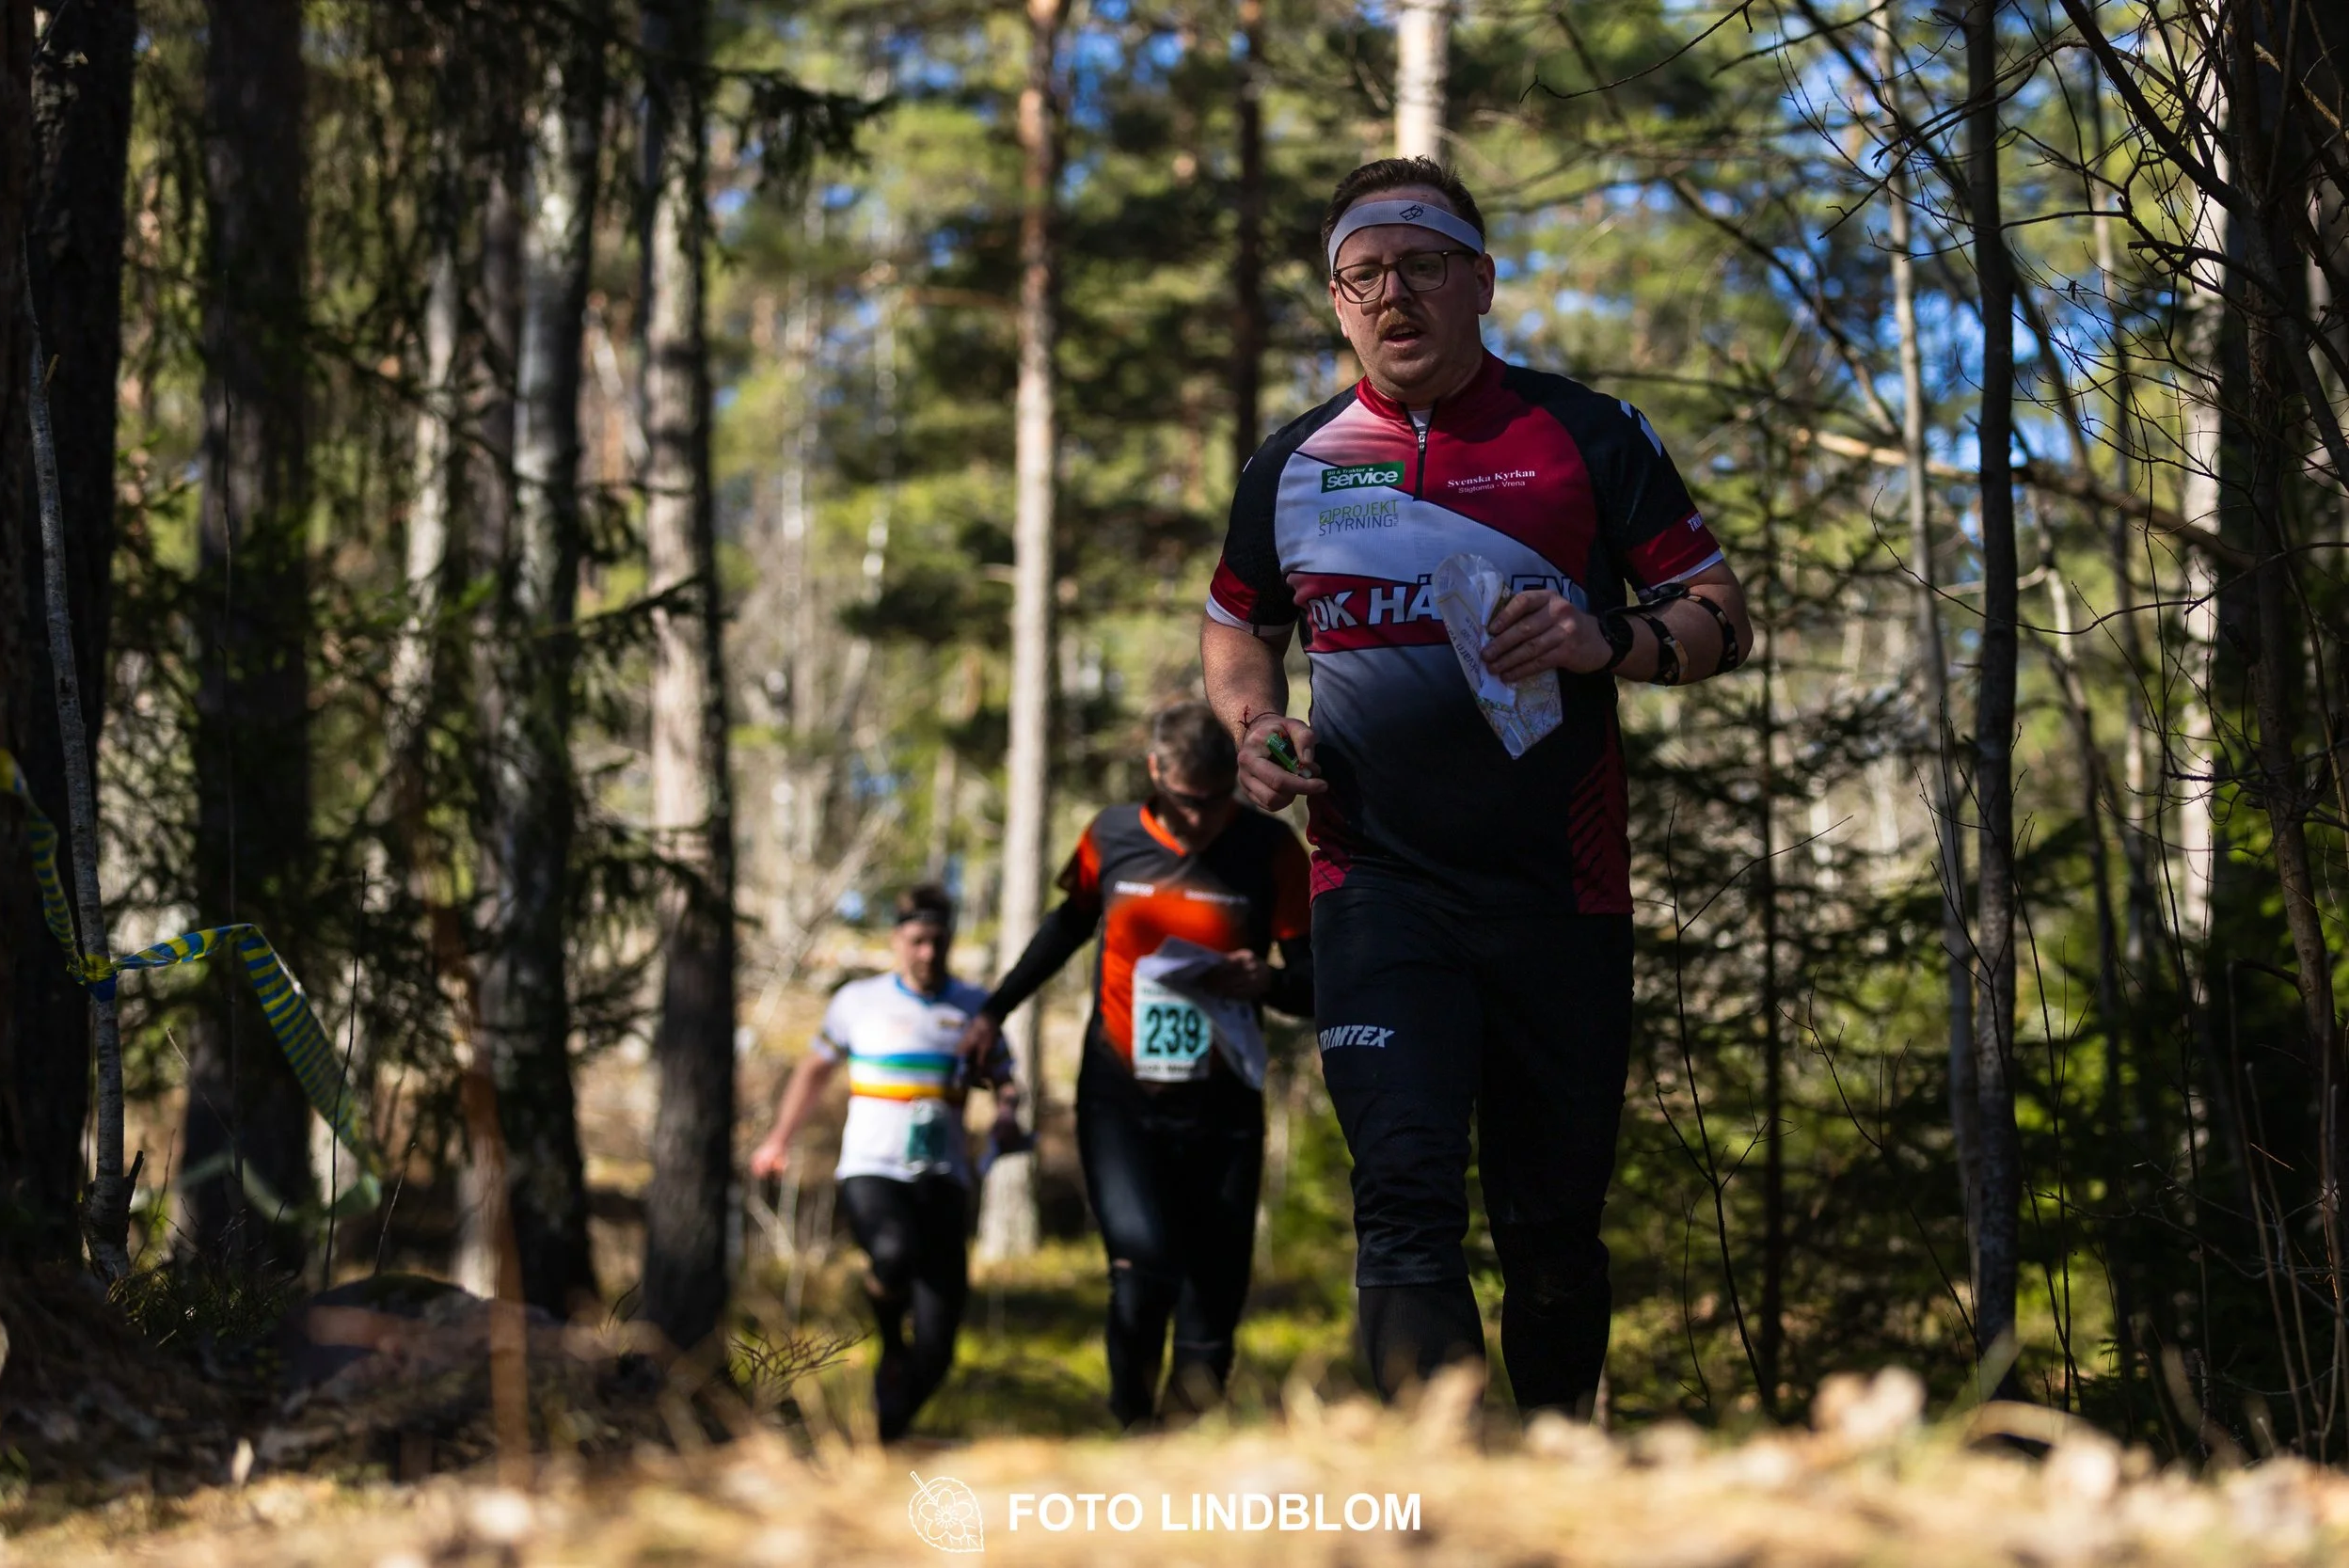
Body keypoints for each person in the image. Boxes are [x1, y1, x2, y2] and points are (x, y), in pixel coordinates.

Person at [1198, 157, 1754, 1418]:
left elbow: (1723, 614)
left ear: (1482, 283)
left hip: (1558, 888)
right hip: (1373, 880)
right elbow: (1238, 620)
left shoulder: (1586, 435)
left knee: (1551, 1235)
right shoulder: (1291, 462)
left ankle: (1555, 1478)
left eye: (1422, 266)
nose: (1393, 294)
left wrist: (1603, 640)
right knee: (1401, 1193)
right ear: (1338, 303)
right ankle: (1434, 1503)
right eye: (1364, 274)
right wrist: (1252, 721)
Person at [957, 702, 1313, 1428]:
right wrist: (994, 1008)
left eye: (1218, 801)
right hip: (1122, 1097)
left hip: (1225, 1105)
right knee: (1142, 1268)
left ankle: (1183, 1452)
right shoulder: (1111, 835)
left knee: (1213, 1300)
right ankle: (1131, 1428)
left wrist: (1266, 981)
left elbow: (1316, 983)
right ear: (1155, 773)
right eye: (1186, 801)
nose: (1200, 820)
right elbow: (1067, 926)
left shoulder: (1270, 850)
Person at [748, 884, 1018, 1442]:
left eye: (939, 942)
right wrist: (779, 1138)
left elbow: (1005, 1079)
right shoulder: (858, 1002)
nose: (928, 953)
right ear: (897, 940)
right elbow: (814, 1070)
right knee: (891, 1254)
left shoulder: (973, 1007)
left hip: (943, 1175)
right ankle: (891, 1346)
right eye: (917, 941)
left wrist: (1007, 1114)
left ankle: (881, 1435)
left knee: (940, 1347)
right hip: (872, 1168)